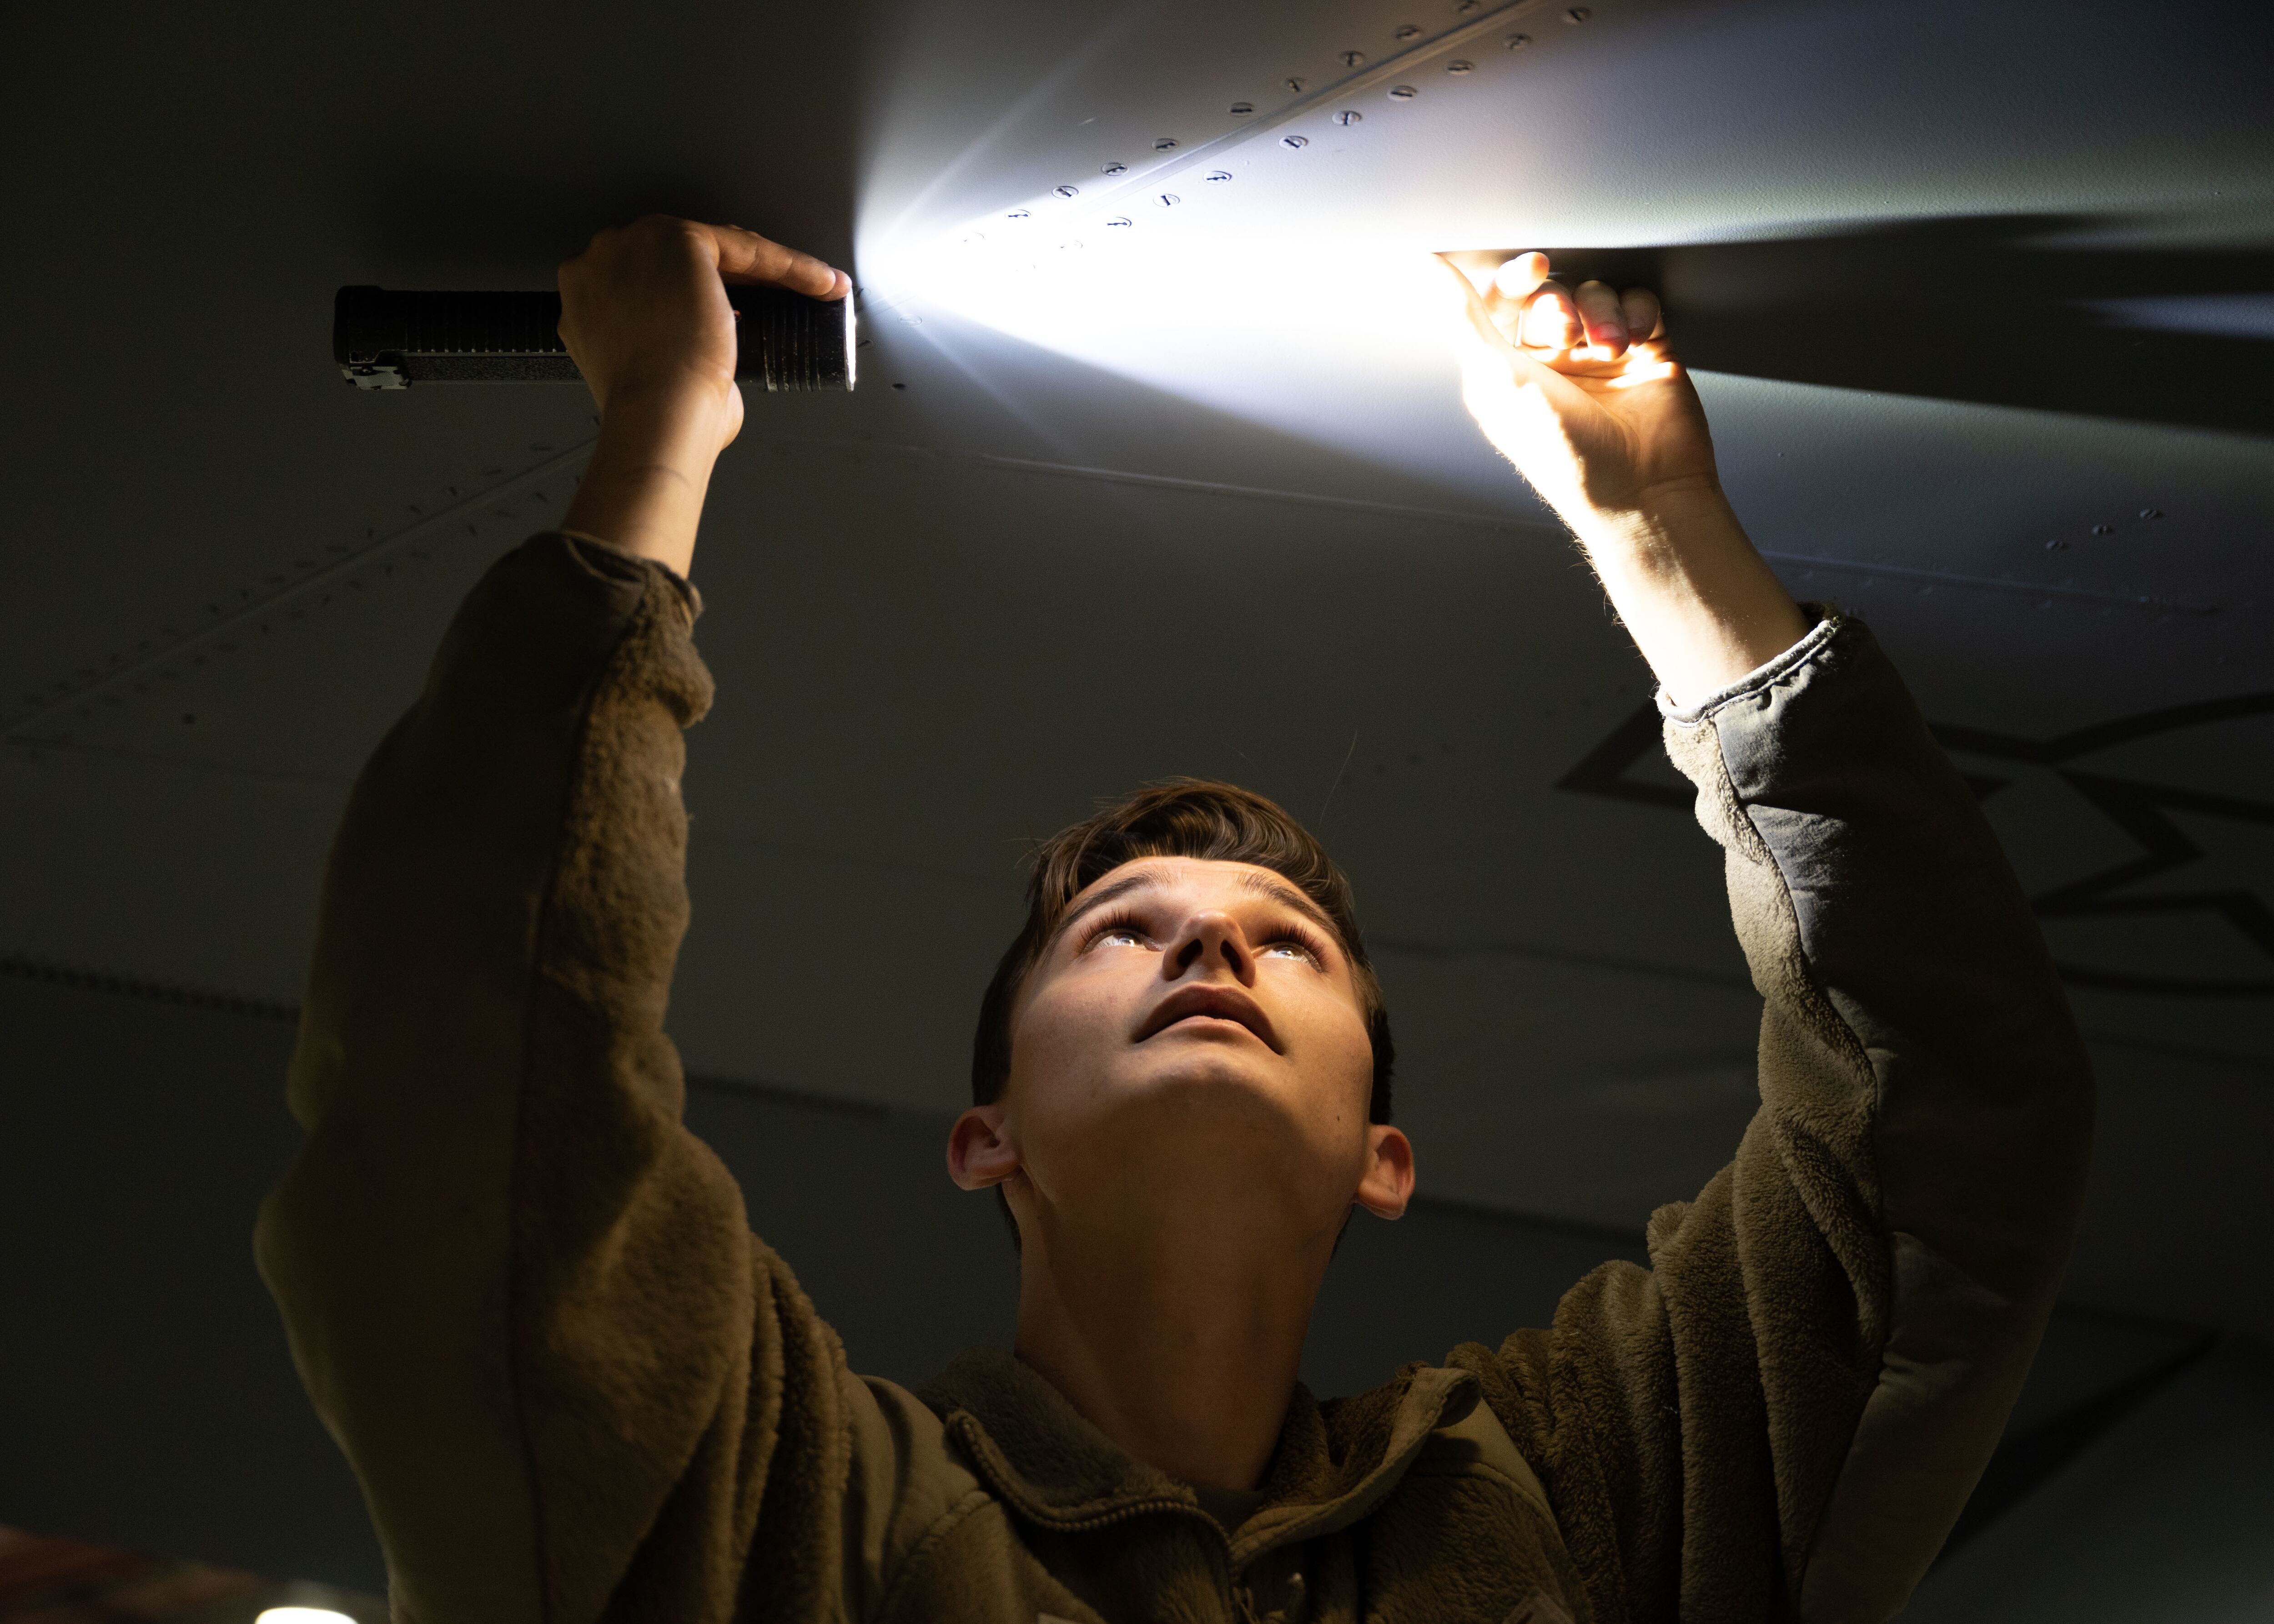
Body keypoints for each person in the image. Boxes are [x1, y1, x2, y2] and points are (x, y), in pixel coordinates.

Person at [257, 215, 2093, 1624]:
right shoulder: (791, 1507)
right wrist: (662, 433)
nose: (1213, 949)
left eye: (1286, 943)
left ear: (1384, 1153)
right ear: (986, 1136)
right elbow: (477, 1117)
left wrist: (1661, 537)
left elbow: (1938, 1139)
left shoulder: (1574, 1498)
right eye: (1118, 930)